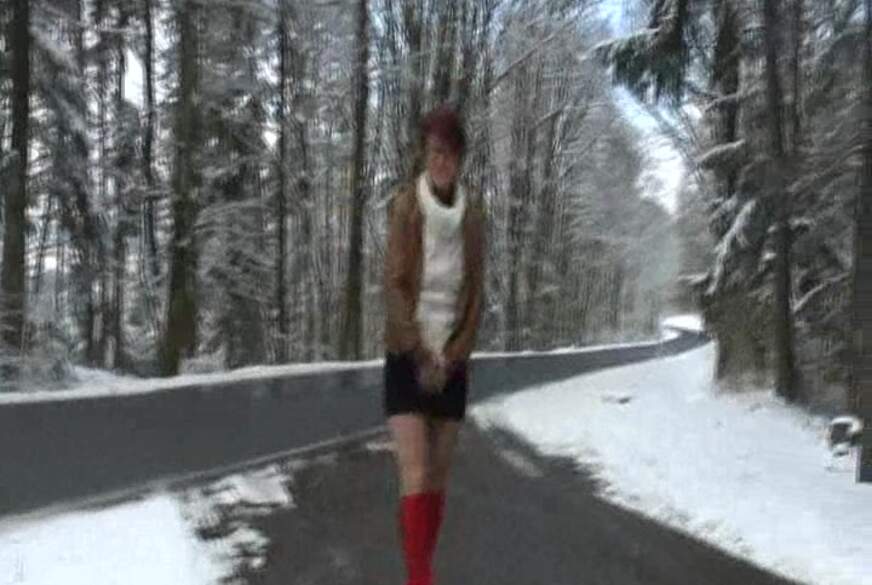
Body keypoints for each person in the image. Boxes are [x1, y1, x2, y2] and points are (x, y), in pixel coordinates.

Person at [382, 105, 486, 585]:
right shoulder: (407, 207)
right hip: (408, 353)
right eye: (435, 152)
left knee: (438, 478)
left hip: (453, 358)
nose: (442, 161)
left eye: (450, 153)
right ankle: (421, 578)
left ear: (460, 159)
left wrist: (454, 355)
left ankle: (420, 565)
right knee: (417, 472)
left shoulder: (473, 217)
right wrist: (421, 353)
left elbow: (476, 292)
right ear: (426, 155)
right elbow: (394, 285)